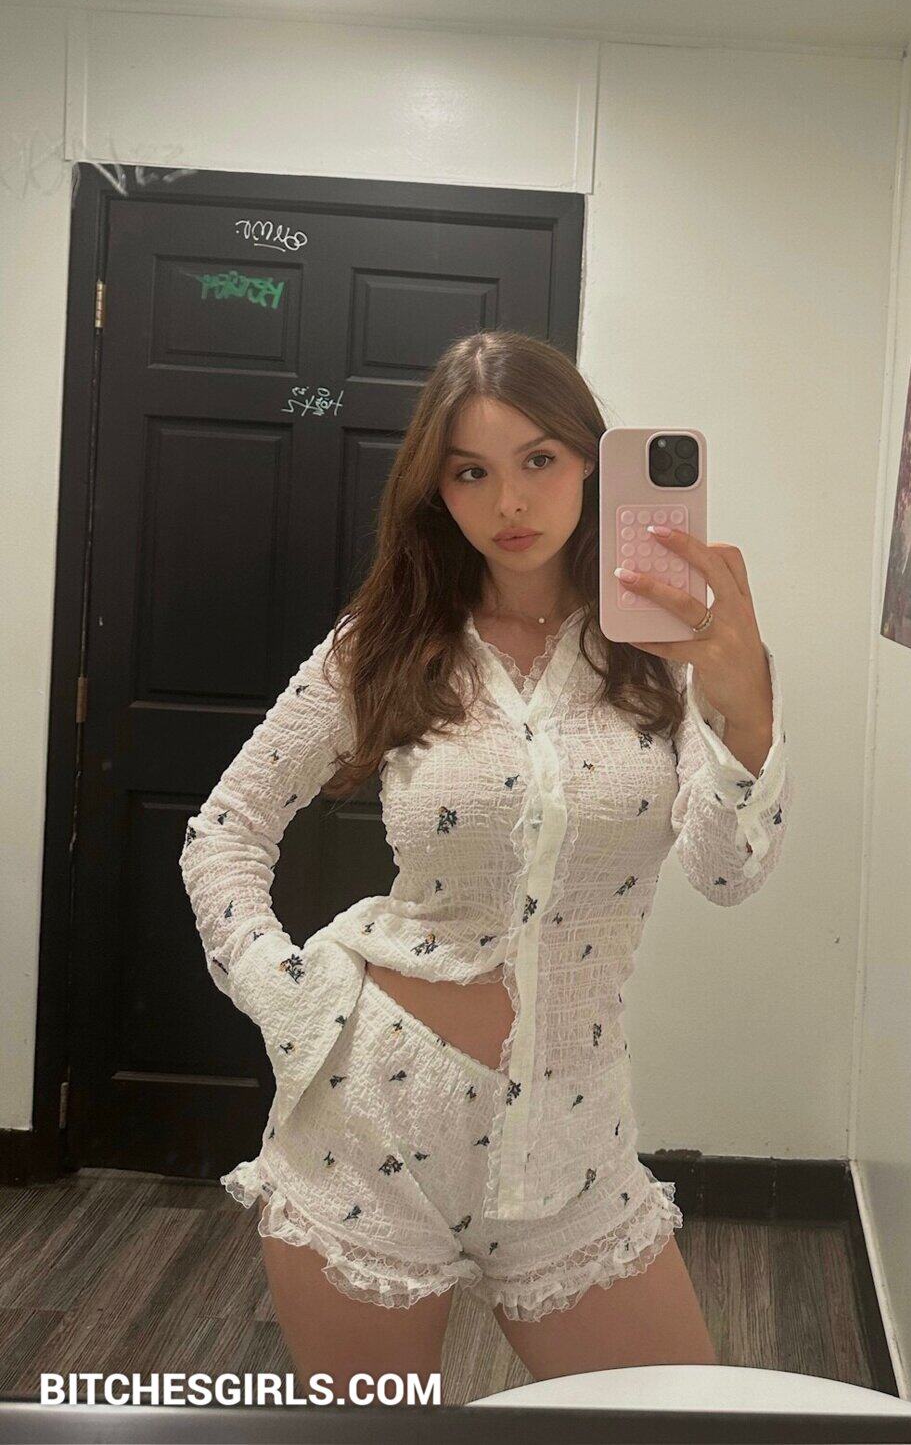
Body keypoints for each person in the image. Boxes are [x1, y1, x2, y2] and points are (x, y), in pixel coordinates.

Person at [178, 329, 790, 1394]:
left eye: (539, 459)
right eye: (470, 471)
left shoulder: (666, 651)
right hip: (371, 1125)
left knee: (684, 1417)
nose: (509, 500)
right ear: (438, 491)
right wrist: (291, 997)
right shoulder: (385, 642)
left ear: (593, 461)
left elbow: (727, 872)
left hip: (575, 1145)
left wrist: (746, 705)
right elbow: (224, 830)